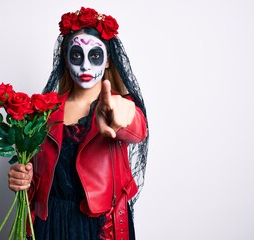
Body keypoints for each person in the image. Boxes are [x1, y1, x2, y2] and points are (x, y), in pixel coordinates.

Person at [8, 7, 149, 240]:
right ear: (65, 59)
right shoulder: (44, 111)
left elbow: (137, 129)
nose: (85, 65)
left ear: (107, 62)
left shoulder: (118, 105)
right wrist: (23, 177)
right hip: (50, 225)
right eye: (76, 55)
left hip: (102, 228)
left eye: (95, 56)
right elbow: (38, 175)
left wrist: (123, 117)